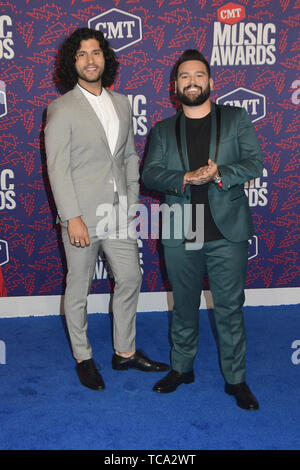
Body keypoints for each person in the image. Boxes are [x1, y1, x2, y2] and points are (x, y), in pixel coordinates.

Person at [45, 28, 168, 391]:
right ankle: (83, 358)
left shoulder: (121, 103)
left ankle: (124, 352)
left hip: (118, 213)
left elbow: (129, 156)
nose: (89, 60)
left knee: (130, 278)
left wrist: (130, 200)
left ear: (105, 59)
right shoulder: (61, 107)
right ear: (73, 63)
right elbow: (57, 167)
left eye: (95, 52)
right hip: (81, 215)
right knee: (78, 288)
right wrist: (72, 218)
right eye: (81, 54)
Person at [142, 49, 263, 410]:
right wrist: (185, 177)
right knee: (183, 307)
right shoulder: (163, 129)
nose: (191, 81)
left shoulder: (236, 118)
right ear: (174, 86)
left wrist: (220, 173)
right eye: (184, 77)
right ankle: (181, 369)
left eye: (198, 75)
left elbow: (253, 162)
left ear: (211, 82)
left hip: (227, 231)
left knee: (229, 308)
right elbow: (150, 173)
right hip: (183, 229)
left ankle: (236, 380)